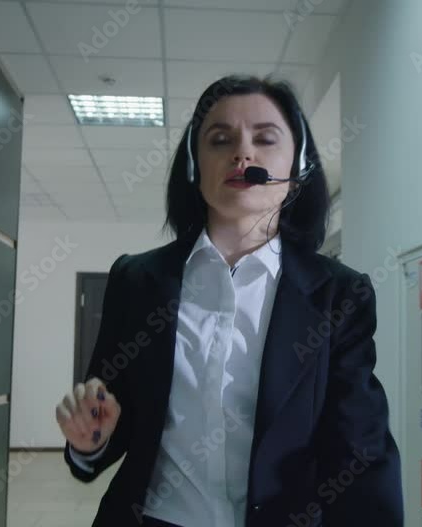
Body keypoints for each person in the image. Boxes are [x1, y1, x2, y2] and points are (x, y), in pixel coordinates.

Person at [54, 74, 403, 527]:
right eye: (220, 140)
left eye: (265, 138)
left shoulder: (339, 295)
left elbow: (360, 448)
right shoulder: (137, 281)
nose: (243, 154)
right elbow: (108, 420)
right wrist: (89, 442)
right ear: (194, 167)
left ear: (298, 167)